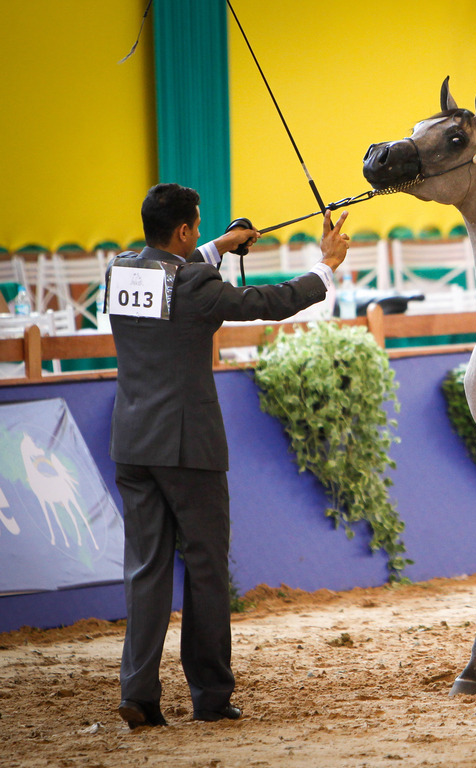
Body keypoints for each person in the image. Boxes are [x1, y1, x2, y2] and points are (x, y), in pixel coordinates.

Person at [109, 182, 349, 729]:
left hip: (133, 443)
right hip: (188, 447)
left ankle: (139, 691)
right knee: (207, 571)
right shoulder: (194, 283)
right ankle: (211, 696)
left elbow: (177, 271)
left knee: (145, 570)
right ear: (184, 230)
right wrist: (326, 267)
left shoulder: (123, 268)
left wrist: (222, 244)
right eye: (196, 228)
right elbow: (268, 302)